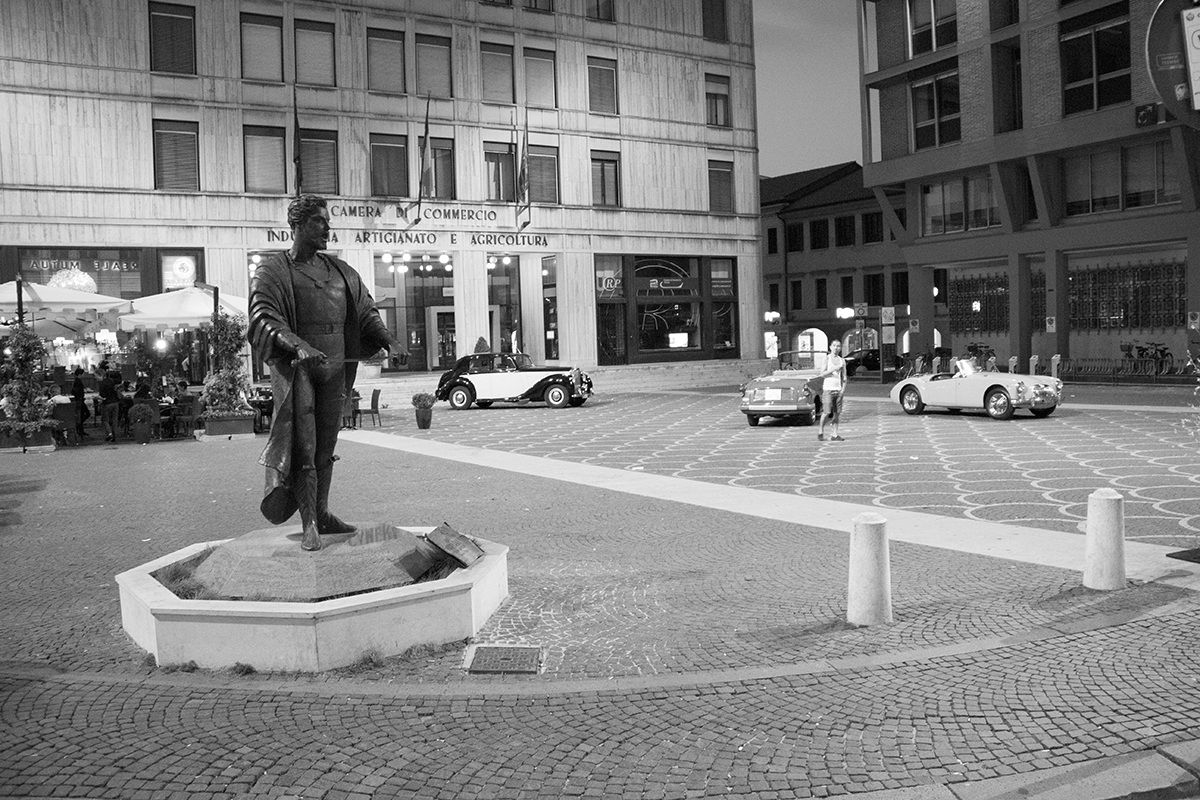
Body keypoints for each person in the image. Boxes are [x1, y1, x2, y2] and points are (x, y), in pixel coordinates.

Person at [248, 194, 408, 551]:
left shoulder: (341, 272)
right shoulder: (274, 271)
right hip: (300, 368)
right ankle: (309, 525)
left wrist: (388, 340)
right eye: (320, 221)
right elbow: (264, 316)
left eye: (327, 221)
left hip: (336, 367)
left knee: (327, 445)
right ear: (298, 225)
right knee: (304, 445)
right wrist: (298, 346)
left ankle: (321, 512)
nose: (327, 228)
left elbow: (366, 312)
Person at [815, 340, 847, 442]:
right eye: (834, 346)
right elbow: (822, 374)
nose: (836, 348)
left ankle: (835, 434)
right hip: (828, 390)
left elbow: (845, 377)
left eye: (838, 346)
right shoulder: (827, 359)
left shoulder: (842, 361)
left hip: (838, 390)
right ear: (830, 347)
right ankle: (821, 430)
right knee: (826, 412)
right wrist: (834, 369)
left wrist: (842, 390)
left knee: (837, 413)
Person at [98, 369, 120, 442]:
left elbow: (103, 397)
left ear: (100, 375)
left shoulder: (102, 384)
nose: (95, 378)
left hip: (107, 403)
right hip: (115, 402)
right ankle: (115, 435)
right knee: (114, 420)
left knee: (105, 420)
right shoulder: (111, 381)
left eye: (96, 376)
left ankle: (109, 433)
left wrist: (98, 397)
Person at [70, 367, 89, 439]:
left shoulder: (76, 381)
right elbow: (77, 391)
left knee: (82, 415)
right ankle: (79, 427)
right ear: (80, 374)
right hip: (80, 400)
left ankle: (80, 428)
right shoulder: (78, 381)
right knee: (86, 414)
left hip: (79, 400)